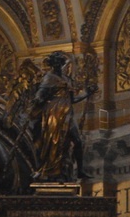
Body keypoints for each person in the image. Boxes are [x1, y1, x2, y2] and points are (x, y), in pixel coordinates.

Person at [30, 52, 96, 181]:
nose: (58, 65)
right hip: (53, 113)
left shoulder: (67, 79)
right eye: (56, 63)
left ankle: (80, 171)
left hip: (67, 113)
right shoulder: (49, 78)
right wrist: (38, 98)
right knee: (55, 142)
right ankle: (51, 170)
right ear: (52, 64)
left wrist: (87, 94)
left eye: (60, 63)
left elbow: (73, 99)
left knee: (77, 140)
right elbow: (40, 93)